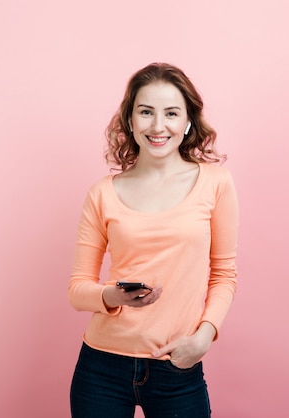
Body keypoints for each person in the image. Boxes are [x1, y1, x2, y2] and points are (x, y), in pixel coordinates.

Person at [68, 62, 239, 418]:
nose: (158, 126)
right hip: (101, 367)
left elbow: (224, 274)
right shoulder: (102, 193)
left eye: (171, 113)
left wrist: (204, 338)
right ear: (130, 120)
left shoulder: (216, 183)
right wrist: (111, 296)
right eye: (146, 112)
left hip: (177, 367)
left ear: (188, 121)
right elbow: (77, 289)